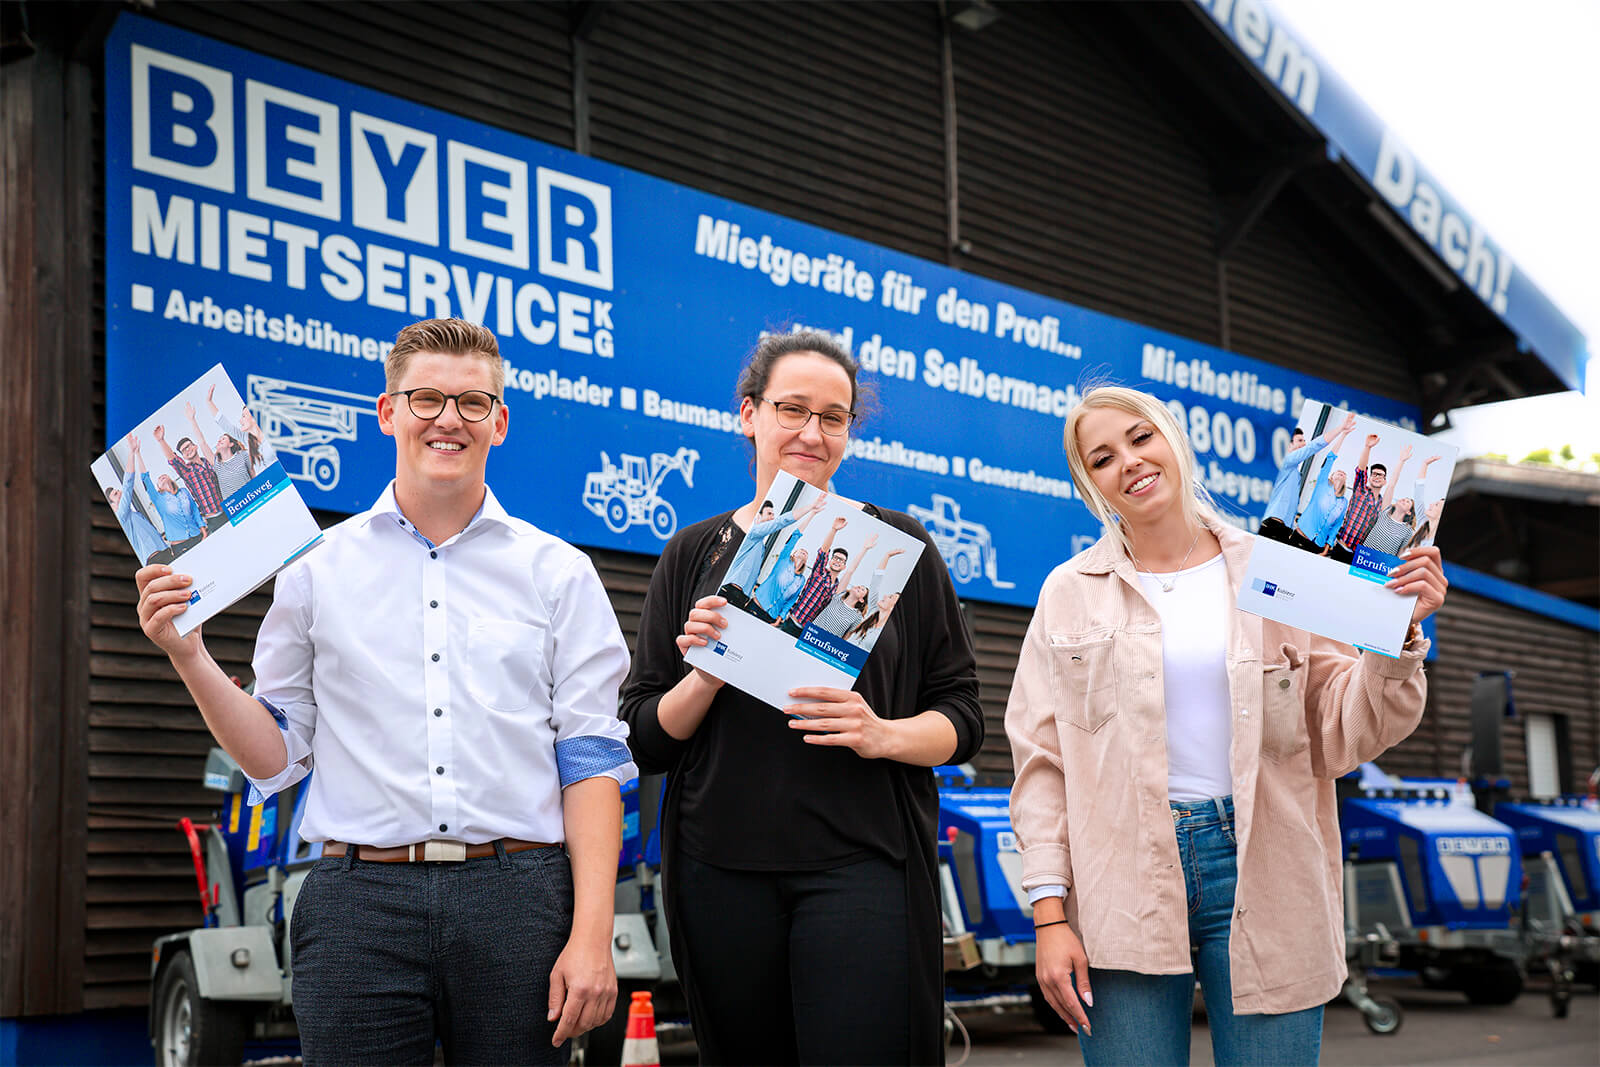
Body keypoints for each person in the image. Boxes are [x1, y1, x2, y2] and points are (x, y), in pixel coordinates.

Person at [134, 318, 631, 1065]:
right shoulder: (312, 570)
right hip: (358, 905)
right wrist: (189, 655)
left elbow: (589, 761)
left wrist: (593, 934)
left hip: (519, 899)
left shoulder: (559, 572)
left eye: (471, 403)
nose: (447, 419)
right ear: (387, 411)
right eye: (425, 398)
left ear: (499, 420)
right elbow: (275, 751)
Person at [1007, 386, 1446, 1067]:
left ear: (1174, 439)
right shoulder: (1069, 591)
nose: (1128, 461)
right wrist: (1050, 915)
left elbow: (1340, 732)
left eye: (1140, 437)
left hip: (1265, 863)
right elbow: (1042, 765)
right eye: (1102, 457)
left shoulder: (1280, 571)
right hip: (1119, 882)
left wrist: (1400, 630)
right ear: (1087, 482)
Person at [619, 330, 984, 1065]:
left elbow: (964, 716)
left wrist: (883, 732)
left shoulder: (895, 547)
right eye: (792, 409)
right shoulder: (693, 553)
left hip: (864, 865)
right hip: (720, 872)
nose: (812, 432)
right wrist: (710, 670)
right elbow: (644, 736)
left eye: (835, 415)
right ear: (748, 414)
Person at [716, 492, 825, 609]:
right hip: (730, 591)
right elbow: (780, 522)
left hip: (742, 597)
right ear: (758, 516)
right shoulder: (753, 533)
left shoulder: (761, 546)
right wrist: (810, 507)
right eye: (769, 514)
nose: (772, 517)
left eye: (773, 514)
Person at [1257, 413, 1353, 544]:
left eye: (1304, 440)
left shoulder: (1295, 472)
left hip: (1284, 529)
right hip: (1272, 524)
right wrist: (1341, 428)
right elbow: (1313, 447)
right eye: (1300, 440)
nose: (1304, 443)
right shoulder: (1285, 462)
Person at [1288, 416, 1358, 553]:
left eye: (1343, 473)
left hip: (1317, 546)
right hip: (1300, 537)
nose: (1341, 472)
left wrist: (1327, 547)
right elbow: (1330, 458)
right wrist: (1343, 434)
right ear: (1330, 477)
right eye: (1337, 471)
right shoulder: (1322, 486)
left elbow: (1336, 526)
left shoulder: (1344, 503)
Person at [134, 433, 206, 557]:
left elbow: (194, 511)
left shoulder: (183, 491)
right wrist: (137, 453)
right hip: (180, 546)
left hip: (198, 537)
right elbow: (145, 478)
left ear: (170, 478)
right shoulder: (158, 499)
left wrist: (203, 532)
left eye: (164, 475)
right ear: (158, 487)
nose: (161, 477)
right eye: (159, 479)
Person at [777, 516, 851, 636]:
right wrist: (834, 530)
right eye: (835, 558)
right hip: (792, 623)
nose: (837, 561)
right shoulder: (819, 573)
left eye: (841, 560)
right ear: (830, 561)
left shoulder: (836, 588)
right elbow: (823, 551)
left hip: (807, 631)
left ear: (844, 566)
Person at [1327, 433, 1394, 564]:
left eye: (1381, 475)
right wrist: (1367, 447)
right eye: (1374, 474)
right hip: (1340, 547)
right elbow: (1361, 469)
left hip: (1357, 555)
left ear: (1385, 481)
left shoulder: (1382, 504)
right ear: (1369, 478)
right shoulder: (1361, 490)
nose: (1377, 477)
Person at [154, 420, 228, 535]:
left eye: (188, 446)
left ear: (195, 446)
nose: (187, 450)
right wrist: (161, 440)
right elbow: (173, 460)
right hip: (213, 520)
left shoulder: (209, 461)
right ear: (183, 456)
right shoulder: (187, 471)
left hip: (228, 509)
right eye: (184, 450)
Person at [104, 434, 169, 565]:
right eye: (116, 495)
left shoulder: (135, 515)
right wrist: (131, 453)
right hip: (154, 560)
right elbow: (128, 485)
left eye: (118, 491)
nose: (120, 493)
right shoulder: (122, 517)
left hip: (164, 551)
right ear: (112, 506)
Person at [1362, 454, 1439, 556]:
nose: (1403, 500)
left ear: (1408, 512)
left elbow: (1400, 555)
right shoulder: (1385, 512)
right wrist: (1401, 461)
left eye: (1407, 502)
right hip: (1362, 558)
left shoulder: (1407, 531)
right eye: (1403, 498)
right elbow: (1391, 485)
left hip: (1380, 566)